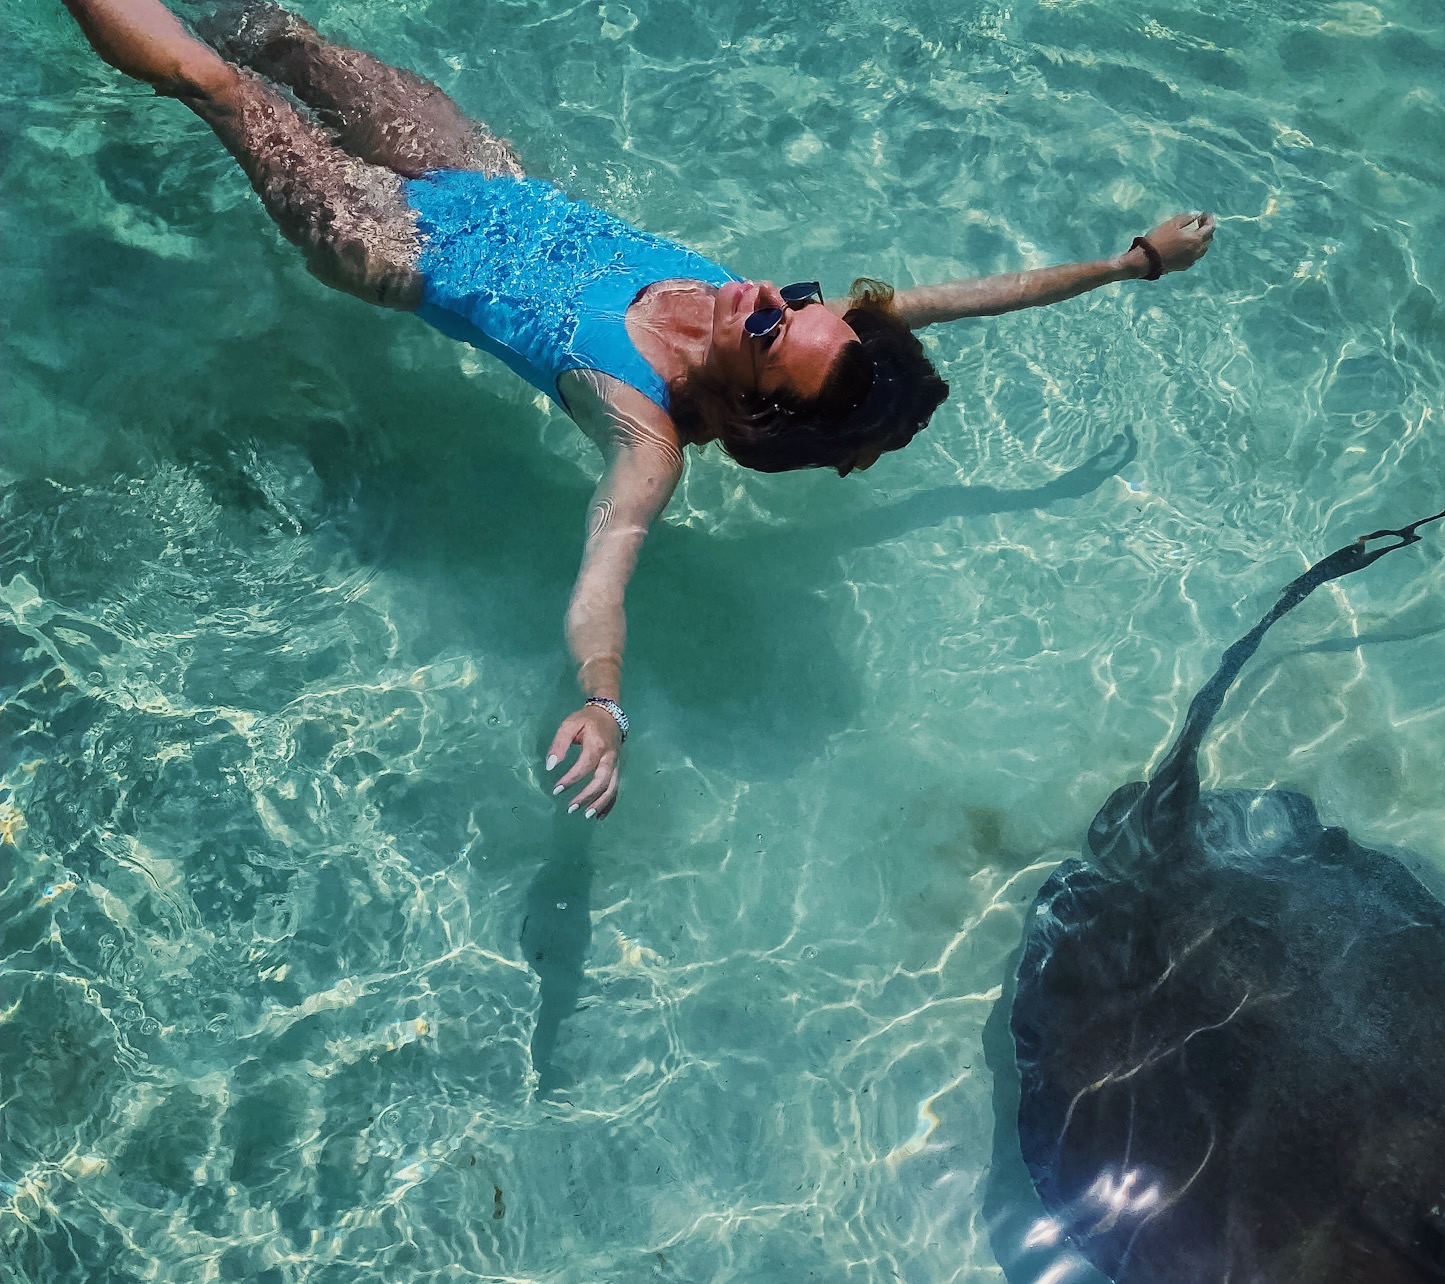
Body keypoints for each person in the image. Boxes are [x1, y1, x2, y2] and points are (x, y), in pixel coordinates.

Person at [60, 0, 1216, 819]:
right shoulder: (765, 320)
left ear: (754, 408)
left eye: (773, 327)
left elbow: (603, 578)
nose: (768, 294)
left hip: (392, 241)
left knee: (214, 85)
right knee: (286, 42)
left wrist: (605, 707)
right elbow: (963, 300)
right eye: (798, 302)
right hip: (488, 184)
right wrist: (1128, 264)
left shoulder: (647, 435)